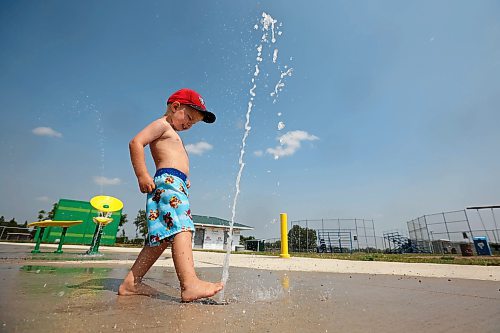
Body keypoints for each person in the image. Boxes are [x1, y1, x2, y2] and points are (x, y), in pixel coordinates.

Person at [118, 88, 223, 302]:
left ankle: (131, 282)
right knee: (183, 226)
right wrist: (142, 174)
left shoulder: (172, 132)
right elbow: (136, 142)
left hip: (175, 183)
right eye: (189, 118)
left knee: (161, 237)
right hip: (167, 183)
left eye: (193, 124)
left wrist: (184, 178)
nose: (189, 125)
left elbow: (175, 160)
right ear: (176, 107)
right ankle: (189, 283)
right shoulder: (162, 125)